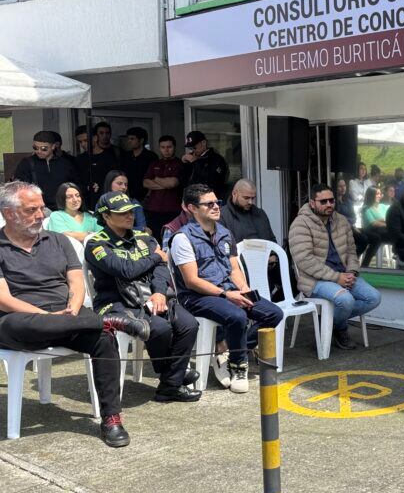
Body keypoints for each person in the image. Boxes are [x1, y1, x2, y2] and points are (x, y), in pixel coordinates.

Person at [0, 181, 146, 446]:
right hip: (21, 323)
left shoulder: (58, 240)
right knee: (16, 324)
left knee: (103, 339)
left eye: (42, 208)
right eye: (32, 210)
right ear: (9, 213)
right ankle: (103, 320)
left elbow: (77, 284)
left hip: (68, 316)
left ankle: (111, 418)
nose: (41, 215)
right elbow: (4, 299)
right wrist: (50, 317)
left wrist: (72, 309)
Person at [86, 192, 201, 404]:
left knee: (189, 325)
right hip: (117, 302)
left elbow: (161, 269)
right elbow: (125, 270)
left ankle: (169, 384)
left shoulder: (143, 237)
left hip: (152, 296)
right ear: (106, 217)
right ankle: (173, 378)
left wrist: (158, 292)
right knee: (160, 328)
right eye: (122, 213)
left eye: (131, 211)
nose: (130, 216)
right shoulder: (96, 244)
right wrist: (156, 255)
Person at [169, 184, 282, 392]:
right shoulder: (182, 238)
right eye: (209, 204)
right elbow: (192, 280)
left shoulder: (224, 233)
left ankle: (230, 349)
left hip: (228, 290)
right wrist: (227, 294)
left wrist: (244, 289)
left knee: (273, 313)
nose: (216, 207)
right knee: (237, 315)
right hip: (196, 296)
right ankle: (239, 365)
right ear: (192, 208)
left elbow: (234, 268)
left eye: (217, 202)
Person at [289, 184, 381, 350]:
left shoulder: (341, 220)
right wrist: (336, 277)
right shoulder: (300, 224)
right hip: (314, 280)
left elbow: (352, 251)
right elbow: (304, 260)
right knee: (345, 300)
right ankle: (340, 328)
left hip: (343, 274)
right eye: (323, 201)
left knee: (373, 297)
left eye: (331, 200)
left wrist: (352, 271)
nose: (329, 204)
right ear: (312, 203)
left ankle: (328, 320)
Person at [13, 131, 77, 210]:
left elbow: (75, 186)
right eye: (35, 148)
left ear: (53, 146)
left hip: (63, 208)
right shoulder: (26, 163)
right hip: (38, 208)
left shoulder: (65, 164)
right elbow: (19, 186)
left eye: (44, 149)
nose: (39, 151)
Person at [143, 135, 184, 235]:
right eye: (163, 147)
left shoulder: (180, 164)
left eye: (169, 147)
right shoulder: (155, 164)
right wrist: (165, 184)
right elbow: (145, 183)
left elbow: (173, 183)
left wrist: (156, 178)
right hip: (153, 209)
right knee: (153, 238)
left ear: (174, 147)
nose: (166, 150)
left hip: (172, 210)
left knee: (171, 237)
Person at [74, 121, 119, 209]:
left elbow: (115, 180)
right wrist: (86, 187)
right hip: (85, 204)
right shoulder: (79, 159)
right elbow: (76, 181)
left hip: (106, 202)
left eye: (86, 140)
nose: (83, 144)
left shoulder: (109, 158)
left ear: (95, 138)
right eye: (80, 142)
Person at [219, 179, 276, 244]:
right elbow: (222, 246)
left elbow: (272, 241)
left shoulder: (260, 214)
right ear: (234, 194)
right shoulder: (222, 216)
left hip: (264, 253)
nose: (250, 202)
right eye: (246, 198)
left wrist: (273, 253)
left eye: (252, 198)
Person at [180, 130, 229, 199]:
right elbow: (182, 180)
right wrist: (184, 164)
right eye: (190, 148)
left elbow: (213, 180)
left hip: (210, 199)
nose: (193, 150)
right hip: (192, 198)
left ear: (203, 143)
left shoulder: (216, 159)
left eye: (194, 147)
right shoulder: (191, 157)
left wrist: (195, 162)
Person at [119, 127, 158, 202]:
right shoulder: (126, 156)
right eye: (128, 139)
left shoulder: (151, 157)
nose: (129, 141)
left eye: (132, 139)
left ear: (141, 140)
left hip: (146, 198)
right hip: (127, 197)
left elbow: (155, 177)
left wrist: (148, 196)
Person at [360, 187, 389, 267]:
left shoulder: (383, 206)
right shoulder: (366, 208)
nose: (379, 196)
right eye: (377, 194)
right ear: (371, 195)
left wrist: (384, 222)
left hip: (383, 231)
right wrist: (387, 223)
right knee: (377, 237)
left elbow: (388, 219)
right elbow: (373, 223)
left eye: (380, 194)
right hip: (369, 232)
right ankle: (365, 264)